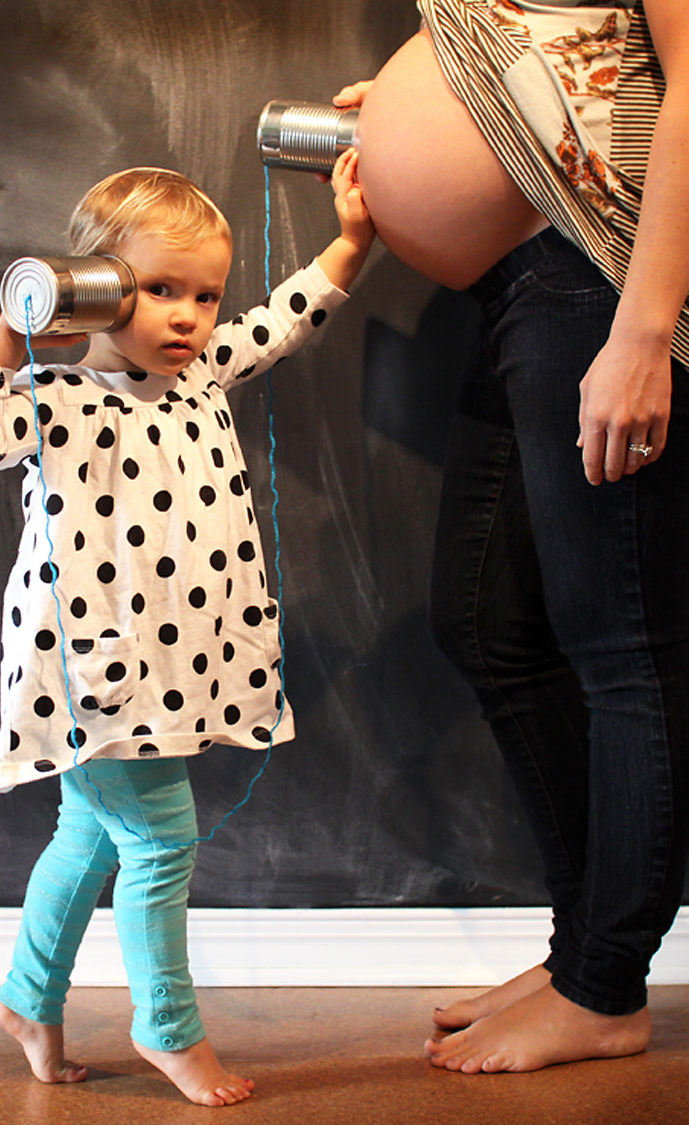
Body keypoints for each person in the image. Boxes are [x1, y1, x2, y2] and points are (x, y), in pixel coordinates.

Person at [0, 160, 373, 1105]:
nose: (189, 316)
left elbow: (285, 319)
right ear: (94, 291)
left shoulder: (204, 370)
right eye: (161, 290)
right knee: (161, 837)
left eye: (204, 294)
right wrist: (15, 324)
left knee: (89, 833)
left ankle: (25, 996)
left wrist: (351, 240)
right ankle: (166, 1024)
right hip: (95, 670)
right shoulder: (55, 398)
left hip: (178, 662)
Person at [333, 0, 689, 1075]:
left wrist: (644, 327)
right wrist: (432, 104)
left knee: (621, 646)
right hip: (523, 286)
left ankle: (604, 987)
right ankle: (580, 944)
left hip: (602, 272)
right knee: (484, 621)